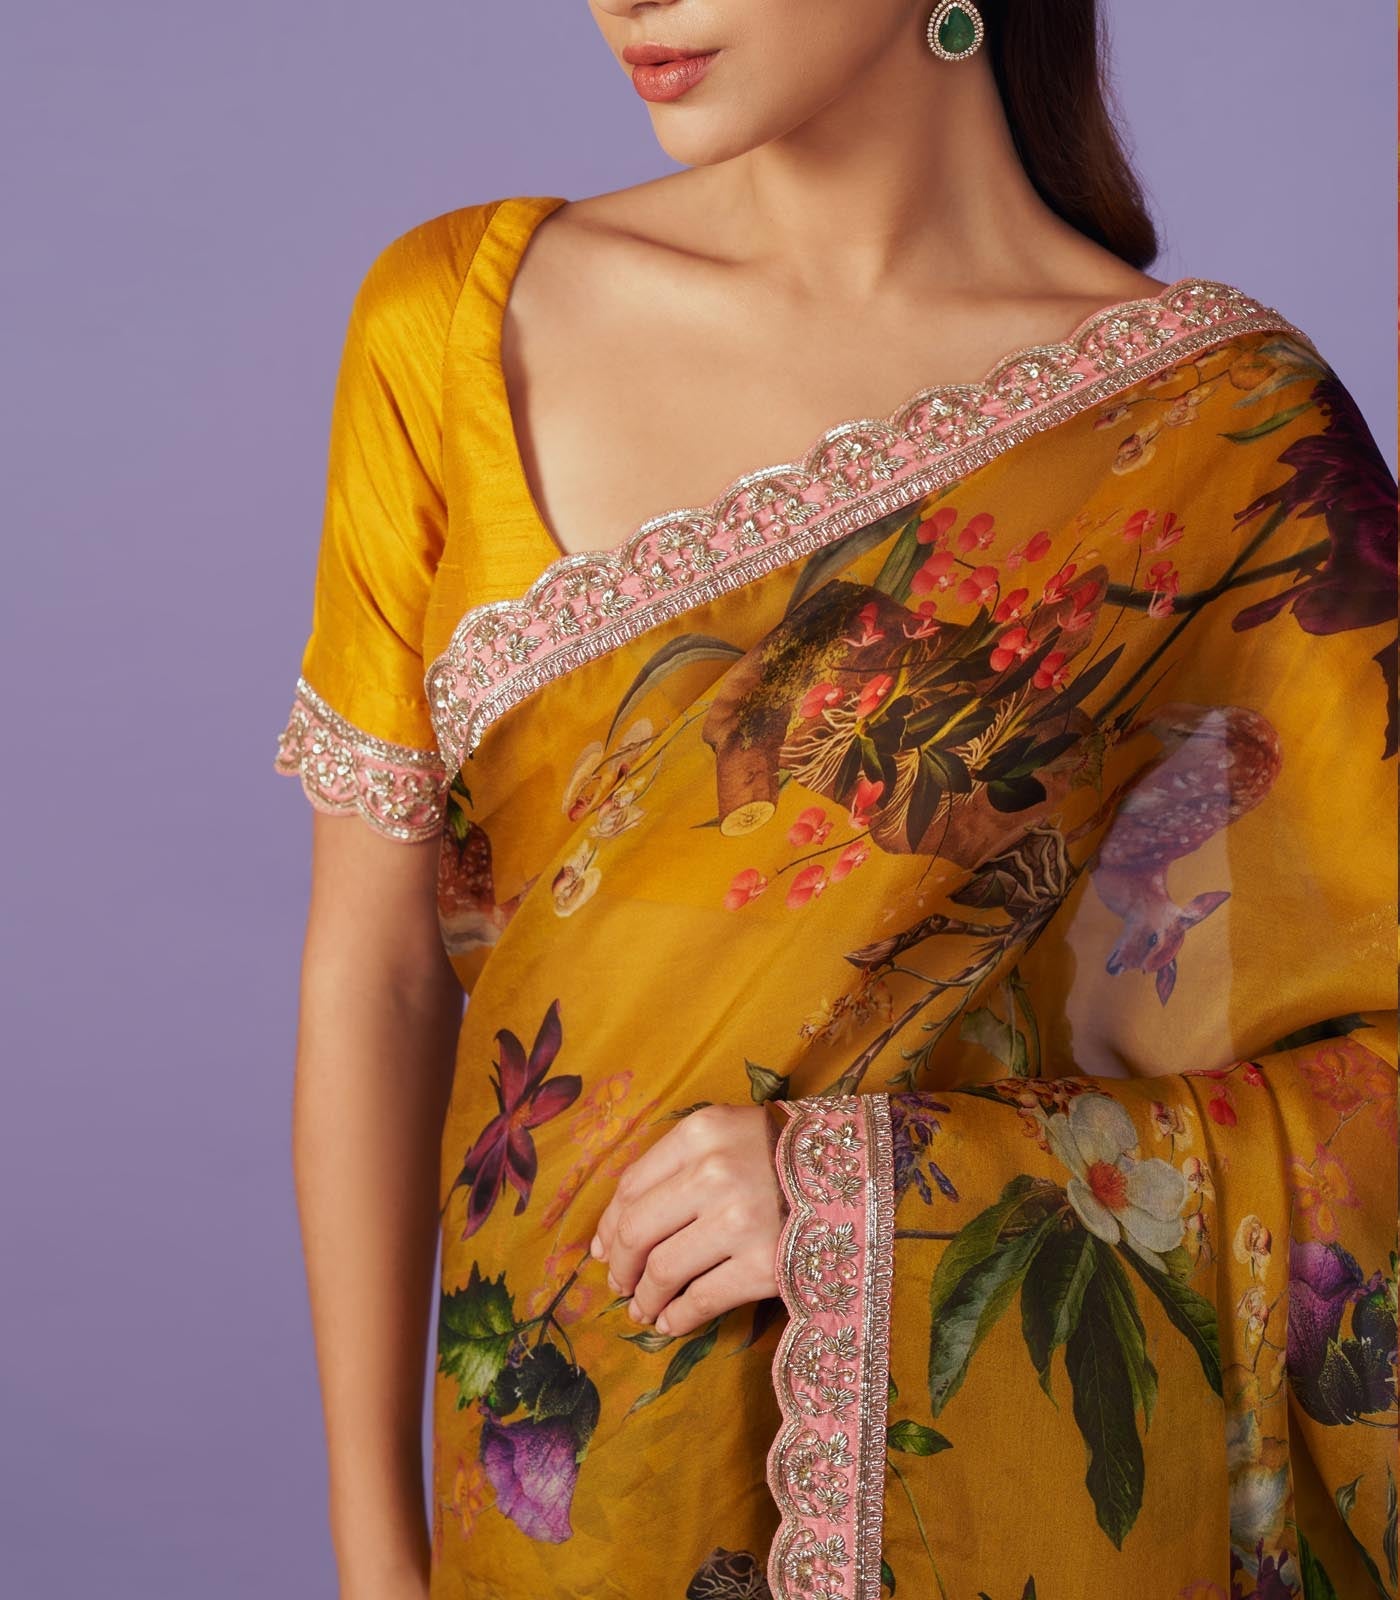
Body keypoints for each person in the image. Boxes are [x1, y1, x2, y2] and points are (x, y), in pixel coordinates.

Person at [273, 3, 1399, 1597]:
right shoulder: (458, 325)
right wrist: (374, 1553)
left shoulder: (1225, 440)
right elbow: (377, 971)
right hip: (556, 1502)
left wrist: (884, 1194)